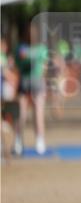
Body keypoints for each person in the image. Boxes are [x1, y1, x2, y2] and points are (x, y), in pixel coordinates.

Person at [15, 24, 47, 155]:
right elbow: (43, 66)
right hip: (30, 82)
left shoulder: (23, 48)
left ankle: (35, 140)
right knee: (26, 113)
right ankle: (20, 141)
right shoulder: (37, 49)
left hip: (32, 82)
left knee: (32, 113)